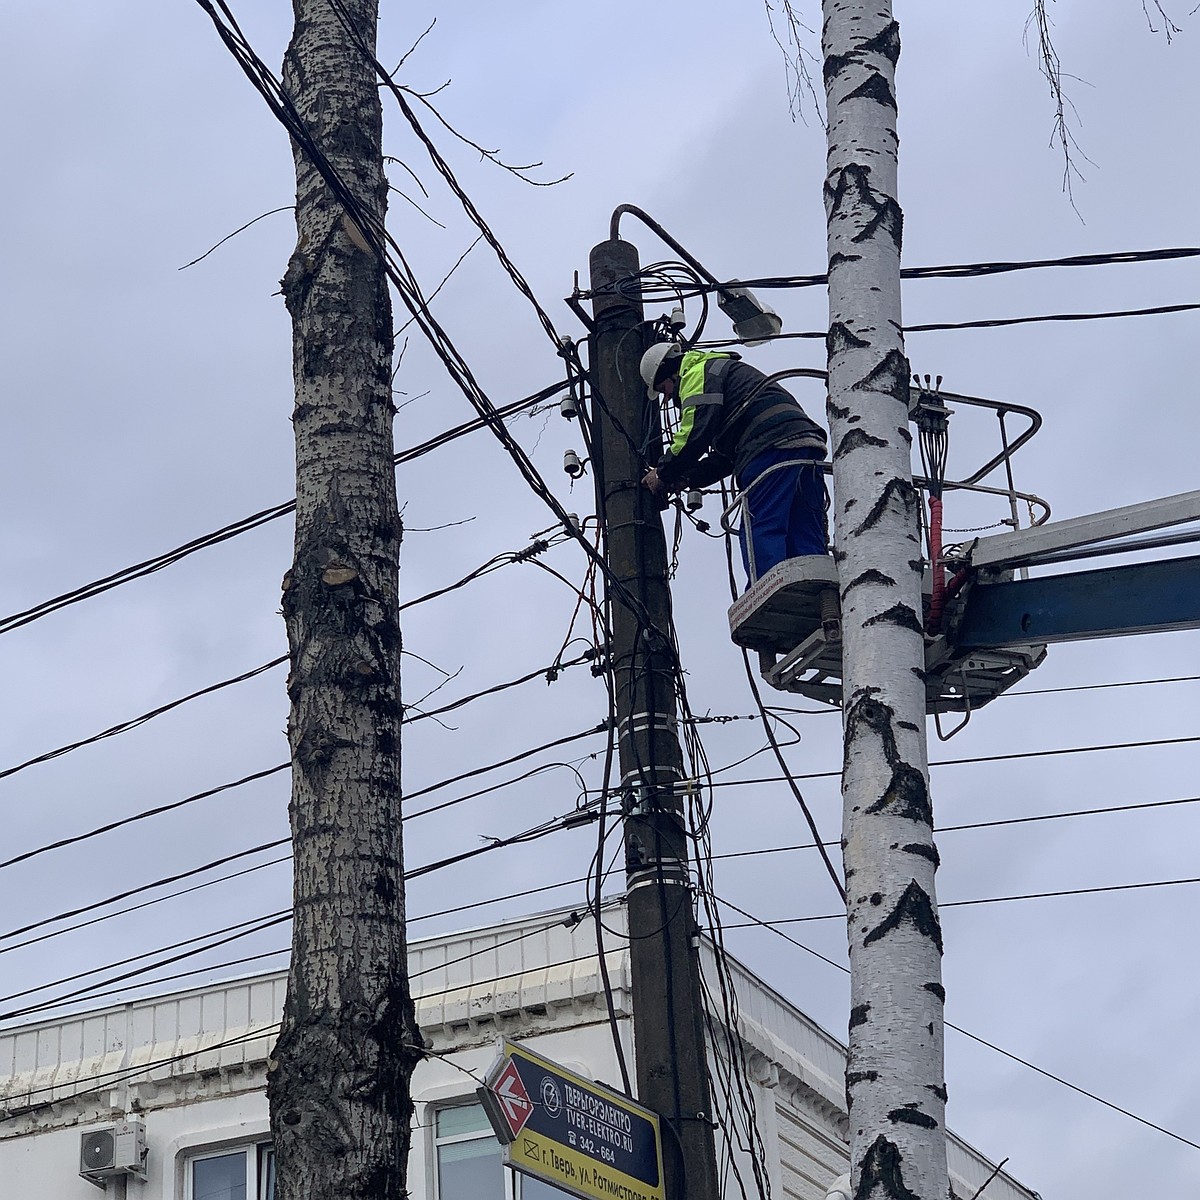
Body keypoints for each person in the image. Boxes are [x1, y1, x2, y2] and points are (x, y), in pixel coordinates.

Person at [639, 343, 829, 582]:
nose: (667, 398)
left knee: (760, 526)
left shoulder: (697, 373)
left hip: (769, 447)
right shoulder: (726, 380)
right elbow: (724, 460)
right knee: (803, 529)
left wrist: (663, 473)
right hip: (805, 445)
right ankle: (817, 592)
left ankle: (767, 591)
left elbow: (694, 434)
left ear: (671, 372)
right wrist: (687, 478)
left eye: (663, 388)